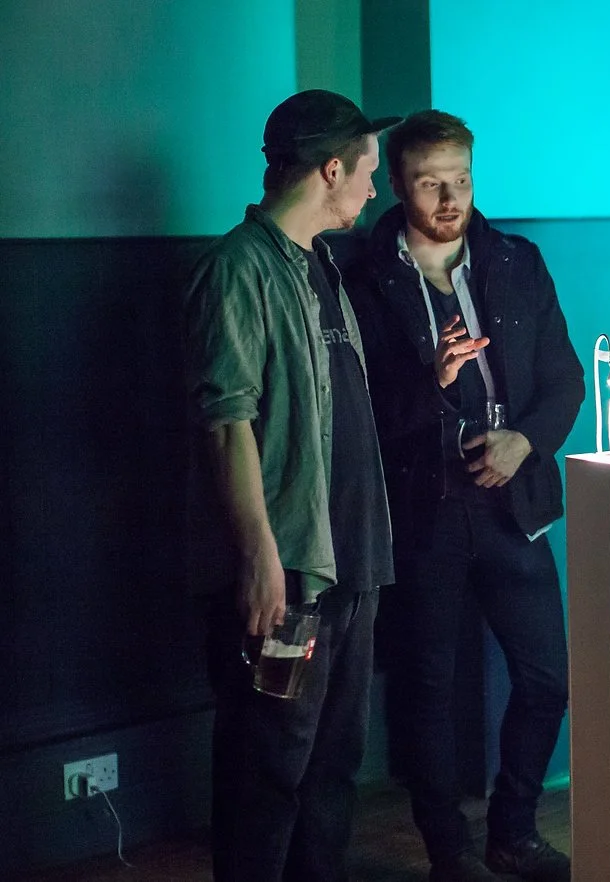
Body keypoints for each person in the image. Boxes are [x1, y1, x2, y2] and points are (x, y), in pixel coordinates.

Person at [344, 110, 583, 882]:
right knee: (428, 686)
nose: (450, 197)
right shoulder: (363, 276)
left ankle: (513, 829)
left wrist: (526, 441)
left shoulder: (516, 260)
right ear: (400, 184)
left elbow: (566, 380)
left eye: (463, 179)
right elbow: (362, 415)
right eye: (428, 181)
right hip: (424, 509)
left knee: (550, 678)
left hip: (513, 504)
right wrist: (434, 381)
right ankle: (449, 851)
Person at [181, 90, 399, 881]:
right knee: (267, 765)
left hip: (351, 567)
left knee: (333, 767)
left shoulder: (324, 267)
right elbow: (226, 423)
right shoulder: (238, 269)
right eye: (367, 173)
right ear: (331, 169)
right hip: (292, 577)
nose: (375, 191)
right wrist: (260, 559)